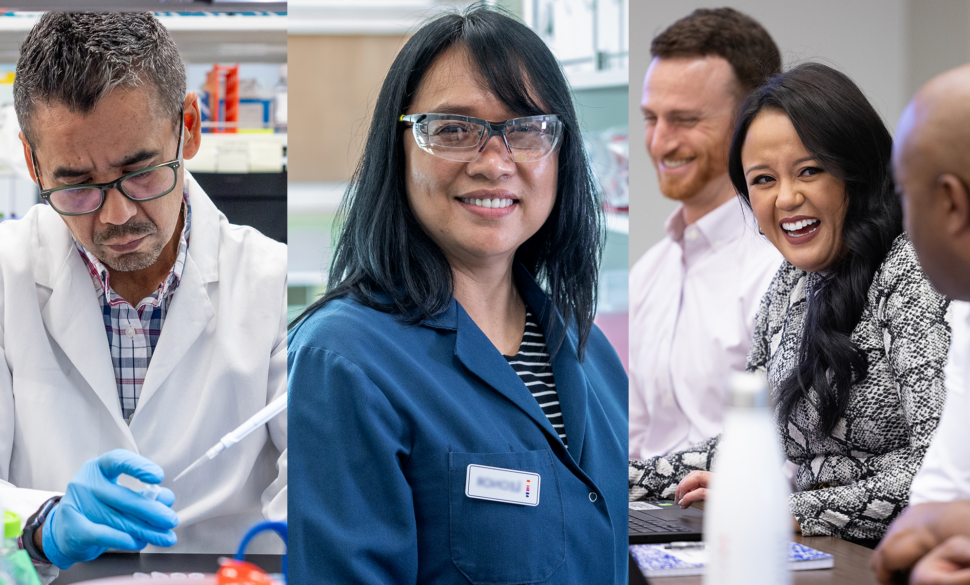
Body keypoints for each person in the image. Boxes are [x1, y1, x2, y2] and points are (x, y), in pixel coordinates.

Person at [287, 7, 627, 584]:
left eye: (524, 128)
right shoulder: (341, 362)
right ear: (398, 152)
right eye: (452, 129)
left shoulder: (592, 356)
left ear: (561, 154)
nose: (495, 162)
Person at [0, 12, 286, 570]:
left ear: (190, 128)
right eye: (77, 183)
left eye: (142, 171)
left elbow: (317, 490)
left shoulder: (272, 286)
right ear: (34, 163)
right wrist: (40, 526)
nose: (118, 214)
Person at [629, 63, 950, 547]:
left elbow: (937, 466)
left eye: (809, 171)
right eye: (762, 180)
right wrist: (621, 479)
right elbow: (749, 440)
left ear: (856, 172)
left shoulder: (911, 268)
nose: (786, 198)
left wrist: (787, 506)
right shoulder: (790, 284)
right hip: (820, 551)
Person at [630, 7, 783, 460]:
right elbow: (637, 440)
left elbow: (797, 451)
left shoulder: (779, 268)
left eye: (684, 120)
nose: (659, 142)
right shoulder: (650, 272)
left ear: (750, 122)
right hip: (652, 516)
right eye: (651, 118)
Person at [872, 63, 970, 584]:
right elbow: (930, 506)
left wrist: (950, 526)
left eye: (906, 196)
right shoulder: (966, 309)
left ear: (952, 203)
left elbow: (942, 518)